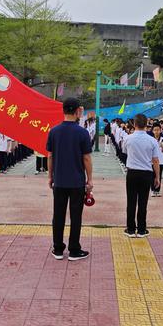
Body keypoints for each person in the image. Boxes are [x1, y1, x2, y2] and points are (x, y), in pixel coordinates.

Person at [47, 97, 93, 261]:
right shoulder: (82, 133)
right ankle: (74, 250)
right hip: (76, 182)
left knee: (58, 215)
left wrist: (50, 176)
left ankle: (58, 248)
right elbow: (86, 158)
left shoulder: (54, 131)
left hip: (59, 180)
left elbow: (50, 156)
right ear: (77, 111)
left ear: (63, 110)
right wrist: (90, 180)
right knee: (76, 215)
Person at [124, 113, 160, 238]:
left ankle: (130, 229)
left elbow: (125, 152)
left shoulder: (128, 138)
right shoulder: (152, 140)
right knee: (143, 202)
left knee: (131, 201)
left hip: (132, 172)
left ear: (134, 124)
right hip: (146, 173)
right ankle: (141, 230)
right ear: (146, 125)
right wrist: (157, 177)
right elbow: (155, 160)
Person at [150, 123, 163, 197]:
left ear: (160, 131)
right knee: (153, 176)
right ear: (152, 131)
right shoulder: (151, 140)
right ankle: (153, 190)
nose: (156, 131)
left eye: (158, 130)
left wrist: (162, 146)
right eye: (155, 130)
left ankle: (158, 190)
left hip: (161, 161)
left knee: (159, 176)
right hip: (152, 161)